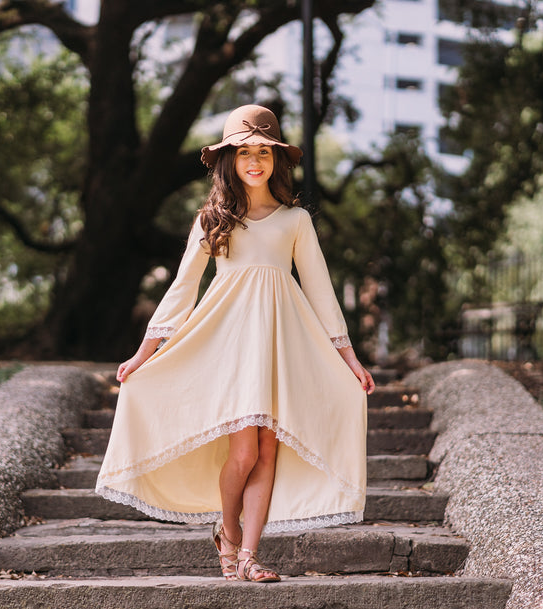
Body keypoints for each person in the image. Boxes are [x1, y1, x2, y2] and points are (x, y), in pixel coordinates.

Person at [95, 104, 374, 583]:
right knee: (243, 454)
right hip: (229, 349)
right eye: (244, 151)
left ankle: (248, 555)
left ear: (276, 159)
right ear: (229, 159)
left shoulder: (295, 221)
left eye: (264, 151)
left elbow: (320, 290)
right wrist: (146, 352)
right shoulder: (214, 219)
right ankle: (227, 531)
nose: (255, 160)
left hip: (280, 348)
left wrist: (349, 358)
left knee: (268, 452)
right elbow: (183, 288)